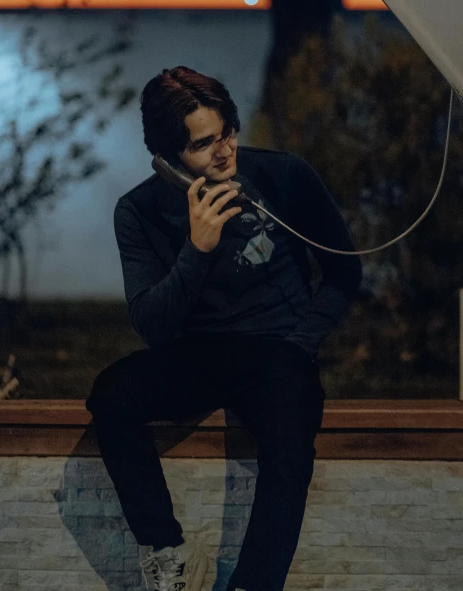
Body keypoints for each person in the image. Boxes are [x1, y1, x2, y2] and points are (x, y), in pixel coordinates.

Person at [86, 66, 362, 591]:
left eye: (228, 131)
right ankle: (170, 555)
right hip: (198, 352)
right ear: (169, 158)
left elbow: (346, 270)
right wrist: (198, 248)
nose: (223, 151)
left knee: (290, 440)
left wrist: (301, 341)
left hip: (277, 347)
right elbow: (152, 326)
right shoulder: (139, 211)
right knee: (111, 395)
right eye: (203, 144)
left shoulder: (284, 177)